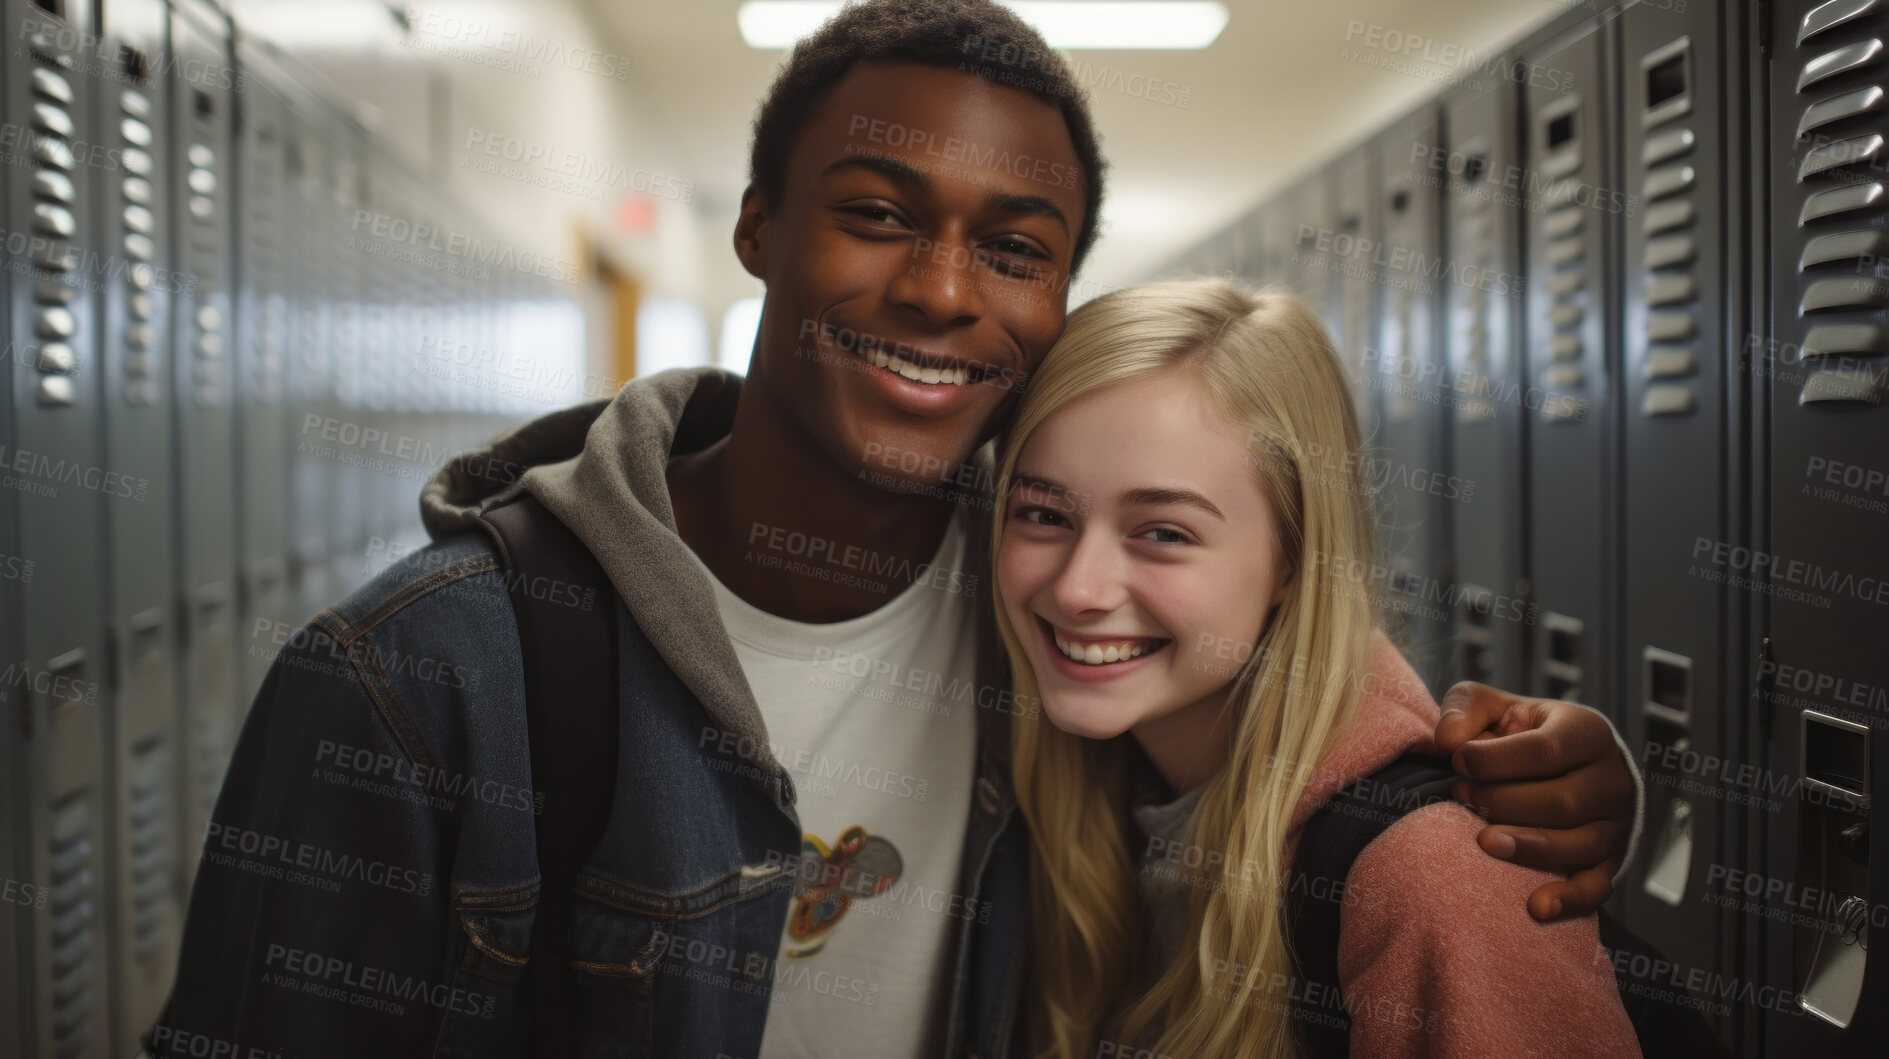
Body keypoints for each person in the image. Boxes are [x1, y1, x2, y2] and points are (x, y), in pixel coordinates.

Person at [147, 3, 1640, 1057]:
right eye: (876, 211)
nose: (939, 289)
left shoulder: (1055, 613)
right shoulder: (417, 679)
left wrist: (1544, 782)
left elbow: (1293, 724)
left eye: (1012, 248)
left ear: (1055, 299)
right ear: (757, 230)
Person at [992, 279, 1638, 1057]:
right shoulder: (1095, 783)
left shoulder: (1428, 875)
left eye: (1162, 531)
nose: (1077, 588)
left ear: (1294, 561)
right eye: (1042, 513)